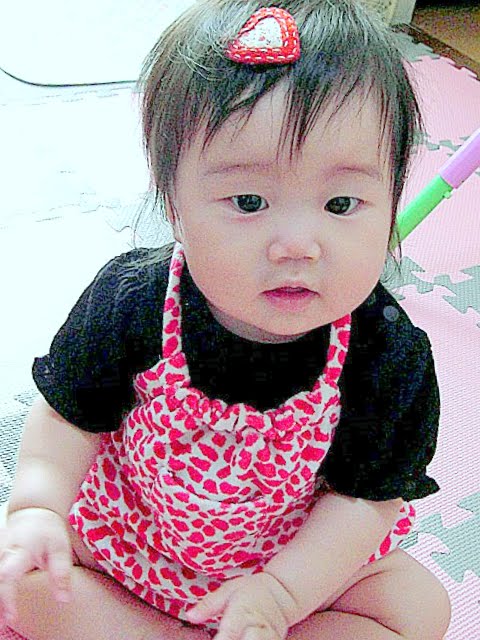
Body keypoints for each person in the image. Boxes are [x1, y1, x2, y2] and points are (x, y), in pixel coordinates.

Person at [0, 0, 452, 638]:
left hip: (295, 560)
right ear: (174, 205)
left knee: (418, 610)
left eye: (341, 203)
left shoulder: (387, 352)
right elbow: (66, 417)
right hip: (132, 536)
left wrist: (279, 596)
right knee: (20, 576)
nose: (297, 245)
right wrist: (37, 507)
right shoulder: (131, 300)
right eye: (248, 201)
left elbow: (365, 502)